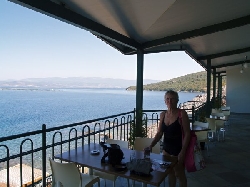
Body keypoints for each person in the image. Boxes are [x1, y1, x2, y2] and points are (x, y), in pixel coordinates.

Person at [148, 90, 190, 187]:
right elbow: (159, 133)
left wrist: (183, 151)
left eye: (172, 99)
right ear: (165, 101)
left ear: (177, 100)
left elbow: (187, 133)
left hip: (178, 150)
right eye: (167, 99)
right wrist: (151, 145)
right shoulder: (163, 114)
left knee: (179, 174)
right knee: (170, 173)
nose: (169, 101)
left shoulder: (182, 114)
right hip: (166, 150)